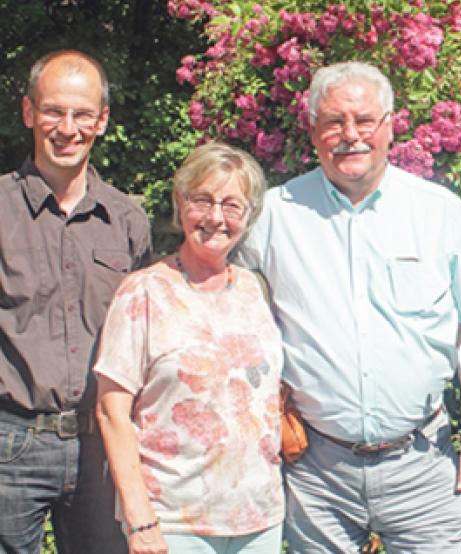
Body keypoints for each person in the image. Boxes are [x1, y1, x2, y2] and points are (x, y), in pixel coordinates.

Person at [234, 61, 461, 553]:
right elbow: (224, 306)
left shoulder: (437, 210)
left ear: (390, 125)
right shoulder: (274, 214)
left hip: (424, 462)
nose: (350, 135)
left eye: (364, 121)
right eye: (334, 122)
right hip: (316, 472)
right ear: (313, 129)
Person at [93, 142, 283, 553]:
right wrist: (140, 519)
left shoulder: (254, 288)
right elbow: (111, 412)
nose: (216, 217)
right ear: (180, 204)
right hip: (174, 523)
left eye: (232, 205)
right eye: (202, 201)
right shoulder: (143, 292)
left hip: (260, 519)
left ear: (249, 215)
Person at [0, 50, 152, 553]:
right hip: (10, 441)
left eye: (82, 114)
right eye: (53, 111)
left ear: (102, 120)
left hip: (103, 446)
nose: (68, 129)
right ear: (29, 112)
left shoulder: (127, 221)